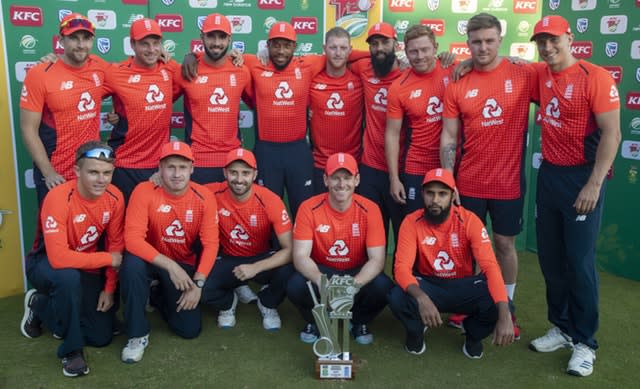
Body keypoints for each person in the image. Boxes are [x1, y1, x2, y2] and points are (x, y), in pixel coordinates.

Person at [528, 15, 621, 377]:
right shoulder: (540, 74)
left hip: (583, 177)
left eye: (554, 40)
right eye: (542, 42)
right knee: (551, 260)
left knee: (579, 263)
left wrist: (594, 183)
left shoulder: (595, 76)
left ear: (570, 38)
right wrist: (466, 61)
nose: (548, 47)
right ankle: (562, 327)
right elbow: (508, 66)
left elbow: (612, 134)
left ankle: (585, 342)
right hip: (550, 174)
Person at [440, 13, 537, 334]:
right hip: (468, 181)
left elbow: (557, 75)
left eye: (489, 41)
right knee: (470, 246)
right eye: (476, 42)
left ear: (500, 40)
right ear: (468, 43)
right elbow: (450, 137)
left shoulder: (523, 74)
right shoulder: (458, 83)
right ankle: (471, 304)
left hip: (507, 183)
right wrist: (448, 178)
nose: (483, 47)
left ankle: (507, 306)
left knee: (504, 244)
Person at [20, 141, 124, 377]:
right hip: (45, 264)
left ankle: (40, 305)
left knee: (100, 338)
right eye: (93, 172)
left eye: (107, 173)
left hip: (84, 265)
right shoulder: (58, 197)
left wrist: (108, 289)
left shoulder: (115, 197)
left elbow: (116, 245)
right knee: (67, 278)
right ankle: (71, 351)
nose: (101, 179)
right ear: (77, 171)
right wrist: (107, 258)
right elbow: (58, 259)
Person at [388, 168, 514, 359]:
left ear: (453, 195)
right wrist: (422, 297)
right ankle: (415, 331)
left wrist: (505, 315)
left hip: (463, 286)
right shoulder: (411, 221)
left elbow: (490, 267)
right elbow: (401, 269)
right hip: (429, 285)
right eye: (430, 193)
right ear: (422, 194)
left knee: (503, 305)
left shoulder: (470, 220)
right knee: (397, 295)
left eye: (442, 194)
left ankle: (473, 335)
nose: (435, 200)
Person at [119, 141, 219, 363]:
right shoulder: (144, 190)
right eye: (170, 167)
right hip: (151, 260)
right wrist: (169, 266)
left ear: (192, 169)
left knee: (188, 330)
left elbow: (211, 243)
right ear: (160, 168)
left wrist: (199, 284)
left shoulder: (204, 196)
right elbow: (133, 240)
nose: (176, 174)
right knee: (132, 264)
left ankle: (157, 295)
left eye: (182, 168)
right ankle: (136, 334)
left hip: (182, 263)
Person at [287, 152, 393, 345]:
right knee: (295, 284)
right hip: (323, 269)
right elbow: (301, 256)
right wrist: (321, 280)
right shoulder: (308, 207)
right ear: (326, 180)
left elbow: (377, 260)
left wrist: (353, 285)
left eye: (347, 178)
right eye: (335, 178)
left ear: (357, 179)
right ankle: (315, 320)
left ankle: (359, 320)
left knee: (383, 286)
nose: (341, 184)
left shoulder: (370, 209)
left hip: (355, 270)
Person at [20, 13, 108, 205]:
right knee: (53, 232)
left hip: (90, 171)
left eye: (86, 38)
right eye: (74, 38)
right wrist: (48, 172)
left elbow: (132, 82)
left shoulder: (100, 67)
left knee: (88, 231)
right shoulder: (40, 73)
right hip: (56, 174)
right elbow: (28, 129)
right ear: (61, 40)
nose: (80, 44)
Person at [202, 148, 293, 330]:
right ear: (225, 173)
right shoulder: (210, 193)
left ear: (254, 175)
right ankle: (228, 303)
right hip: (228, 259)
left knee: (292, 269)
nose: (239, 179)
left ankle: (267, 302)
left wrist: (255, 268)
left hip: (261, 257)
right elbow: (181, 189)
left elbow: (290, 249)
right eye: (233, 172)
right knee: (200, 287)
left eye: (245, 173)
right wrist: (158, 178)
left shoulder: (270, 199)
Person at [174, 13, 253, 185]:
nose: (217, 43)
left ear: (229, 39)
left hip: (232, 163)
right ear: (202, 37)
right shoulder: (188, 70)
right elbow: (158, 101)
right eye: (211, 36)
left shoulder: (241, 71)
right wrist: (118, 113)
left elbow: (260, 103)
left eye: (222, 37)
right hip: (197, 162)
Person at [105, 18, 178, 202]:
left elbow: (201, 70)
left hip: (159, 166)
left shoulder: (170, 69)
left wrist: (193, 57)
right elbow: (82, 85)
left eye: (156, 43)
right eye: (144, 44)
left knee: (157, 225)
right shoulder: (115, 73)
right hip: (124, 165)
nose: (151, 49)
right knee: (124, 225)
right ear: (132, 44)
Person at [349, 22, 406, 250]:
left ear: (396, 45)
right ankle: (374, 285)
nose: (379, 48)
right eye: (374, 44)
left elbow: (443, 66)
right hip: (371, 167)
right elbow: (342, 52)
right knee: (373, 236)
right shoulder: (364, 68)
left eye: (385, 42)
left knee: (403, 233)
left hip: (402, 168)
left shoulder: (409, 70)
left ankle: (405, 284)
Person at [386, 24, 454, 214]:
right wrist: (394, 178)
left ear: (436, 48)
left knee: (448, 225)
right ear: (405, 52)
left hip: (450, 164)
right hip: (417, 165)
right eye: (413, 51)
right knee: (415, 222)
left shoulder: (454, 71)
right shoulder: (399, 87)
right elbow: (392, 134)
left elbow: (485, 63)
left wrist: (463, 62)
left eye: (425, 49)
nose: (420, 56)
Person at [309, 27, 363, 194]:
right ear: (324, 49)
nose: (338, 53)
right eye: (333, 47)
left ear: (350, 51)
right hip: (320, 164)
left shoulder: (360, 82)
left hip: (352, 163)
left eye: (343, 48)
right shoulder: (311, 82)